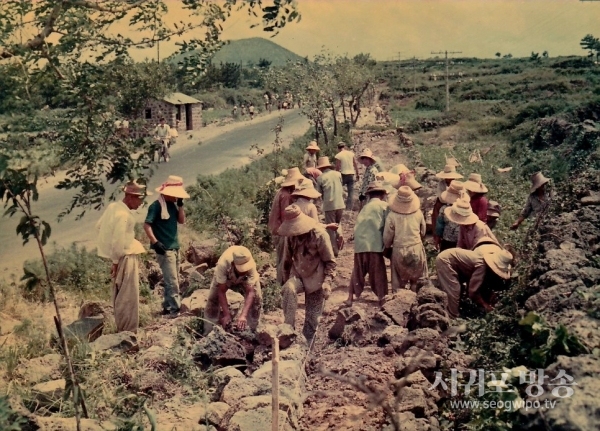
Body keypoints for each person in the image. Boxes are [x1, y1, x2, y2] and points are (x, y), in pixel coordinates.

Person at [96, 181, 150, 332]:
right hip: (126, 257)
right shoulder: (123, 215)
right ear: (131, 197)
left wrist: (111, 254)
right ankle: (128, 332)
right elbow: (117, 241)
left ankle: (124, 330)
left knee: (120, 294)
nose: (141, 203)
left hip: (120, 256)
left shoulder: (113, 207)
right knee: (128, 297)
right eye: (140, 199)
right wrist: (115, 261)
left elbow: (99, 227)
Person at [279, 205, 336, 343]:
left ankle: (305, 347)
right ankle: (288, 332)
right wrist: (285, 281)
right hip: (298, 273)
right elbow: (286, 260)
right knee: (289, 288)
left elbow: (330, 262)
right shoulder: (290, 237)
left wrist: (327, 282)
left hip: (316, 276)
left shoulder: (320, 235)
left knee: (312, 320)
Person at [143, 175, 189, 317]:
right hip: (165, 249)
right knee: (172, 281)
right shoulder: (156, 206)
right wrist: (155, 242)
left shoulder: (171, 206)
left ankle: (167, 306)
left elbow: (181, 221)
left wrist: (180, 205)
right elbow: (146, 225)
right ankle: (175, 310)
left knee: (172, 279)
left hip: (174, 247)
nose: (177, 197)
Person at [436, 242, 513, 317]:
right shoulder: (481, 266)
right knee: (454, 290)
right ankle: (453, 317)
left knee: (458, 290)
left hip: (452, 260)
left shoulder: (484, 264)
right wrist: (485, 305)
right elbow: (473, 291)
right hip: (446, 261)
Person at [347, 181, 389, 306]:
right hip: (374, 244)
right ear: (382, 195)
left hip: (360, 244)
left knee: (358, 271)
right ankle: (382, 297)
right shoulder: (384, 206)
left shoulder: (365, 207)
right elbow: (388, 226)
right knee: (378, 272)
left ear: (370, 195)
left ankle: (350, 297)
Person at [204, 246, 263, 334]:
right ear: (233, 264)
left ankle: (252, 331)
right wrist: (226, 314)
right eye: (241, 269)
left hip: (245, 279)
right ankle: (210, 331)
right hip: (227, 275)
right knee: (213, 300)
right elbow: (221, 291)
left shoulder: (250, 265)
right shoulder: (223, 264)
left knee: (256, 298)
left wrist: (243, 315)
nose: (244, 271)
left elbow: (250, 291)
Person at [383, 186, 428, 292]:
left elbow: (387, 237)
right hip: (415, 247)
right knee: (416, 280)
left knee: (398, 281)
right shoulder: (418, 213)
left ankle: (399, 302)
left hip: (399, 249)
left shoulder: (392, 216)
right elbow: (423, 231)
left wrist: (387, 246)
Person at [268, 167, 306, 284]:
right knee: (283, 259)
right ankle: (282, 284)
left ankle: (282, 282)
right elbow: (286, 216)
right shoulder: (286, 196)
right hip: (281, 230)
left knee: (281, 258)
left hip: (276, 228)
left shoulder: (282, 192)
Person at [316, 157, 345, 257]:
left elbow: (318, 193)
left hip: (329, 205)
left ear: (320, 168)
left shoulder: (320, 178)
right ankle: (340, 234)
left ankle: (334, 250)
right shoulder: (338, 174)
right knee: (338, 223)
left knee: (330, 228)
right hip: (340, 203)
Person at [435, 181, 469, 251]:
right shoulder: (465, 210)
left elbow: (439, 226)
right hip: (461, 241)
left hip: (447, 240)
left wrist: (437, 238)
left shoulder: (444, 209)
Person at [432, 164, 464, 233]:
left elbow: (462, 195)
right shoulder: (441, 184)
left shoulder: (457, 184)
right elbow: (441, 198)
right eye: (448, 177)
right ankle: (437, 234)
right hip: (442, 203)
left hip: (455, 203)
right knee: (437, 217)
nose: (449, 179)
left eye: (451, 177)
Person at [334, 142, 359, 210]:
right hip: (351, 174)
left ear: (338, 148)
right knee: (350, 192)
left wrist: (336, 176)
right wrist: (357, 174)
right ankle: (349, 208)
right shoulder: (351, 154)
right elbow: (355, 164)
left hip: (343, 174)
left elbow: (337, 167)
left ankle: (339, 205)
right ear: (344, 147)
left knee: (338, 189)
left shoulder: (339, 155)